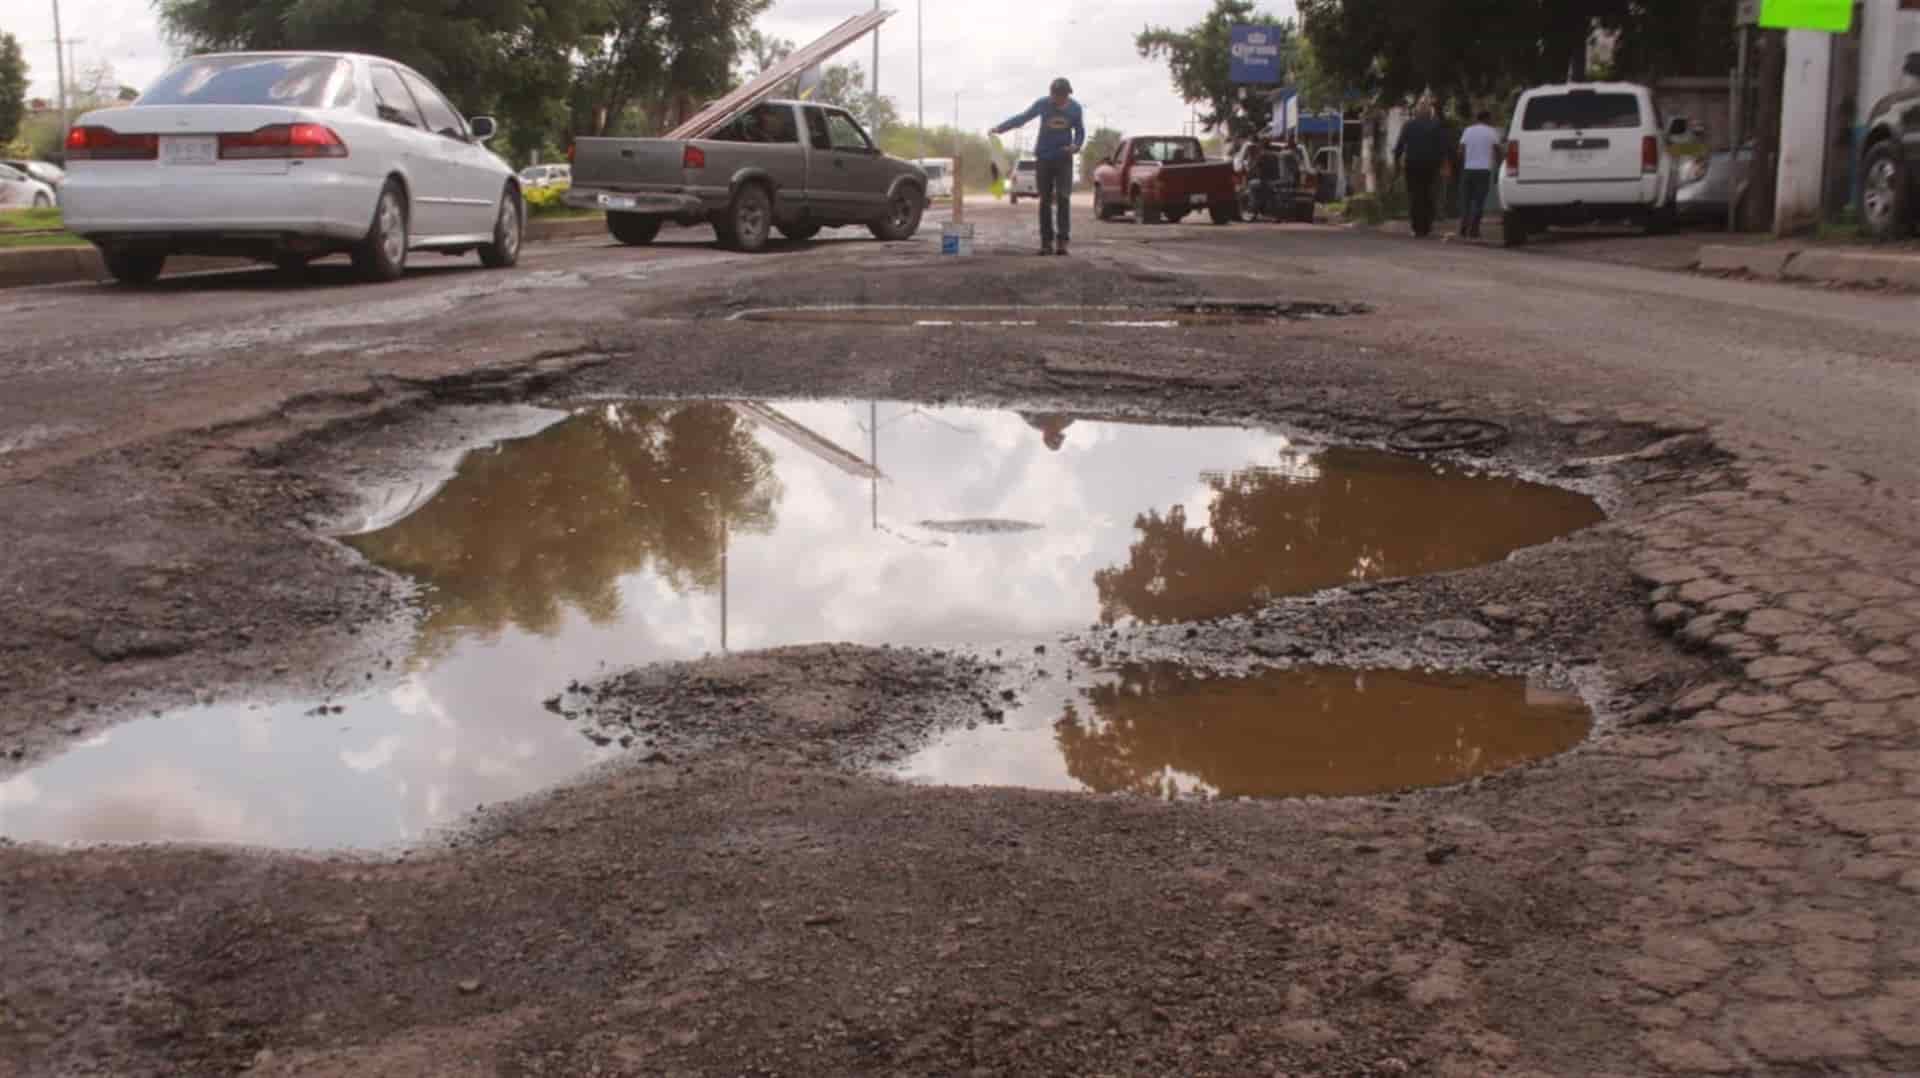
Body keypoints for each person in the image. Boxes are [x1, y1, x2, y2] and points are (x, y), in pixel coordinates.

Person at [992, 77, 1086, 256]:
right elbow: (1023, 118)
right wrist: (1000, 128)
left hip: (1064, 159)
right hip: (1044, 158)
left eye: (1063, 96)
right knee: (1045, 200)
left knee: (1063, 197)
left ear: (1068, 95)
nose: (1060, 100)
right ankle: (1046, 242)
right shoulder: (1043, 104)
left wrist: (1076, 145)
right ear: (1052, 94)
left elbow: (1080, 131)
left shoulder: (1075, 108)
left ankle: (1062, 241)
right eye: (1057, 96)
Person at [1392, 102, 1450, 238]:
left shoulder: (1409, 125)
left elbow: (1400, 145)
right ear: (1430, 114)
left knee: (1415, 195)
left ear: (1416, 113)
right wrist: (1443, 163)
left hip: (1412, 165)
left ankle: (1417, 226)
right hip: (1431, 165)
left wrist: (1396, 163)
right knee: (1429, 194)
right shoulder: (1437, 126)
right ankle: (1426, 226)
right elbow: (1443, 146)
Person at [1457, 110, 1501, 240]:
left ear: (1477, 119)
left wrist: (1464, 163)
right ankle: (1474, 229)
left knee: (1466, 200)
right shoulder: (1492, 132)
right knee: (1479, 200)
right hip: (1483, 170)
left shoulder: (1468, 130)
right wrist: (1499, 166)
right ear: (1487, 118)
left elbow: (1461, 150)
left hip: (1468, 169)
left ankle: (1464, 226)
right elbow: (1498, 150)